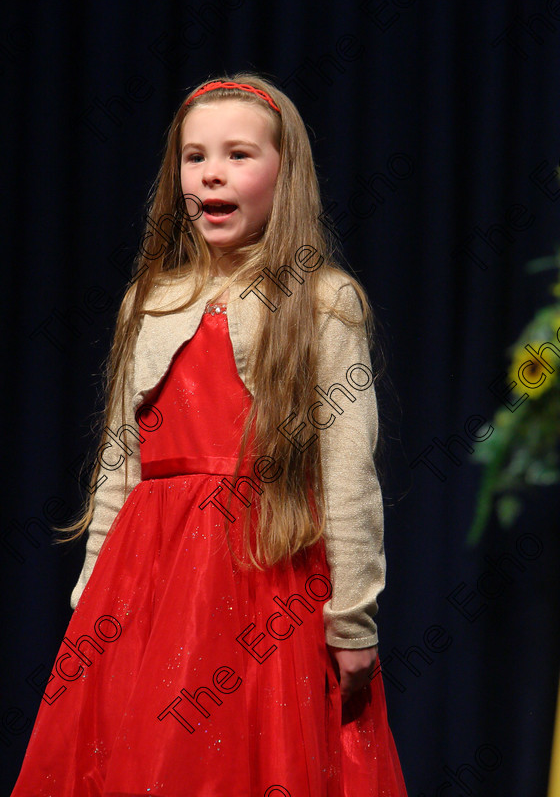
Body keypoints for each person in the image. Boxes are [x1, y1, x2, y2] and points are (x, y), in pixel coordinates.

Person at [11, 73, 408, 796]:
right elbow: (119, 462)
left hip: (264, 577)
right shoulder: (151, 300)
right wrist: (91, 600)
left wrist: (353, 621)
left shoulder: (322, 299)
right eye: (195, 157)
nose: (213, 173)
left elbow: (349, 473)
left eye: (238, 154)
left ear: (286, 174)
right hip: (148, 588)